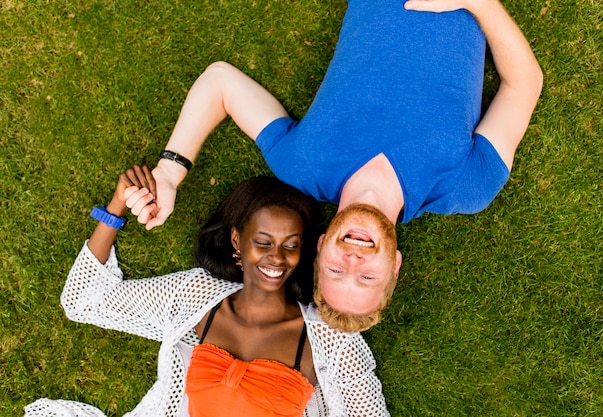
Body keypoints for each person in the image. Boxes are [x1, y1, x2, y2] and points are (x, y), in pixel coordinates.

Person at [127, 0, 543, 331]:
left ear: (321, 245)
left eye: (335, 270)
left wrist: (170, 172)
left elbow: (220, 81)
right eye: (366, 278)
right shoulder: (467, 188)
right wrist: (481, 5)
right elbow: (524, 84)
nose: (354, 261)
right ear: (394, 265)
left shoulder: (302, 165)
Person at [25, 166, 389, 417]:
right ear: (237, 240)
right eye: (263, 241)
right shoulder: (195, 297)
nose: (276, 258)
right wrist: (117, 205)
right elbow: (83, 300)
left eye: (290, 245)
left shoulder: (331, 340)